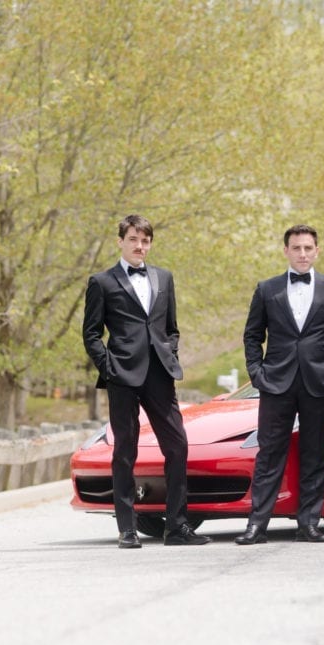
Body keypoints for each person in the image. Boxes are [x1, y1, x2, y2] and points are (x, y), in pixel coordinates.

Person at [82, 214, 210, 548]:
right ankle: (127, 528)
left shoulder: (163, 277)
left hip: (160, 374)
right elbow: (92, 333)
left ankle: (177, 527)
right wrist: (109, 367)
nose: (140, 246)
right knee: (125, 450)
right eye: (134, 240)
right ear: (121, 241)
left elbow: (172, 327)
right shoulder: (102, 282)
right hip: (122, 375)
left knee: (177, 445)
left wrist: (170, 353)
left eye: (146, 241)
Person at [236, 225, 324, 545]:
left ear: (317, 250)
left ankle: (309, 523)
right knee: (269, 454)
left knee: (315, 453)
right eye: (296, 248)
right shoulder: (267, 289)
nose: (302, 253)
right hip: (276, 383)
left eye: (308, 248)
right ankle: (256, 525)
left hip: (320, 383)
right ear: (286, 251)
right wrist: (256, 372)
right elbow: (252, 336)